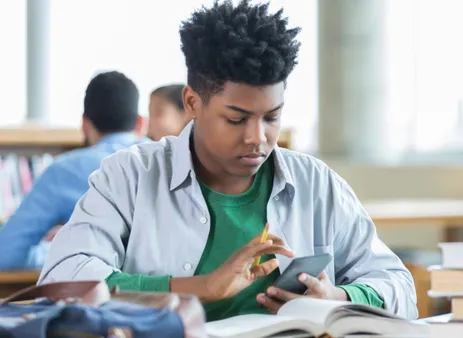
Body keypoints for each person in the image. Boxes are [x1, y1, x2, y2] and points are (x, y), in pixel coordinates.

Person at [39, 0, 417, 321]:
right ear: (192, 103)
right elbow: (61, 281)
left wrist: (340, 299)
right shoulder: (129, 177)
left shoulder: (318, 185)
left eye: (272, 117)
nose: (258, 137)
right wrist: (197, 289)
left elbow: (398, 286)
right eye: (236, 119)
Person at [0, 71, 147, 270]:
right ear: (140, 123)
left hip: (100, 294)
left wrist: (61, 251)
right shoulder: (170, 160)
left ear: (85, 124)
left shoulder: (63, 171)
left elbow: (8, 254)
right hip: (172, 294)